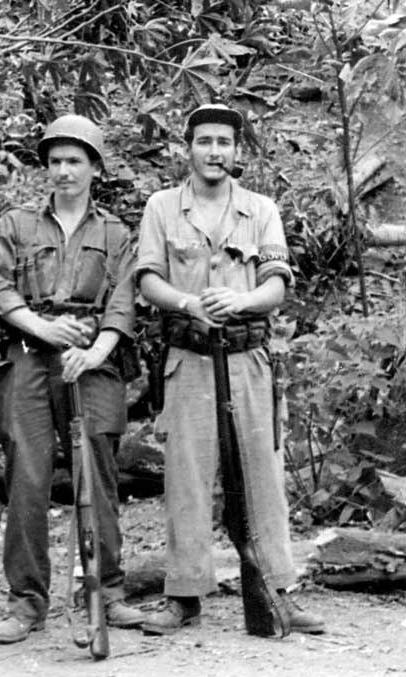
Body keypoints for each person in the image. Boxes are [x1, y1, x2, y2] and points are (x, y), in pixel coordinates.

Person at [135, 103, 325, 635]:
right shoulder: (162, 207)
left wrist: (241, 301)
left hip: (248, 360)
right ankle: (184, 595)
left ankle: (276, 591)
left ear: (237, 151)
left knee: (263, 477)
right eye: (204, 141)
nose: (214, 152)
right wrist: (188, 303)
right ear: (188, 148)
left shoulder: (260, 209)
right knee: (187, 478)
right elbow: (148, 279)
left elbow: (277, 284)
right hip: (189, 360)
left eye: (224, 142)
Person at [0, 114, 143, 644]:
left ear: (95, 167)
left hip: (93, 361)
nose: (64, 170)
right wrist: (44, 328)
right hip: (29, 354)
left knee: (97, 472)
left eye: (75, 160)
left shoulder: (115, 232)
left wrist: (95, 353)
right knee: (27, 477)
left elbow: (124, 301)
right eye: (55, 161)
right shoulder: (16, 225)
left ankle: (107, 592)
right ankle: (27, 600)